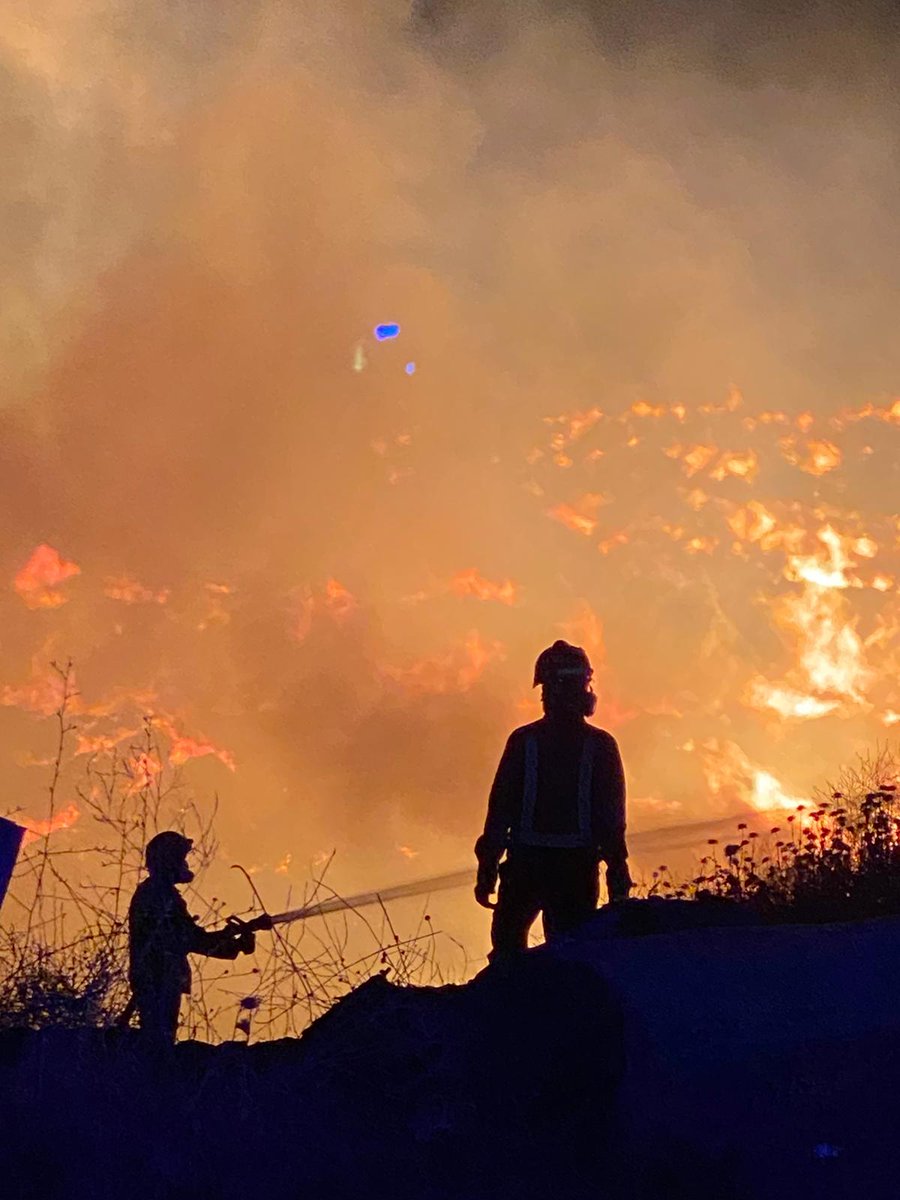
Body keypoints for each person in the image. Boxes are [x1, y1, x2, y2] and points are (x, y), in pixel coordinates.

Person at [474, 640, 631, 958]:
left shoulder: (524, 741)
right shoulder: (600, 746)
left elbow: (499, 811)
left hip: (529, 867)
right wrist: (617, 871)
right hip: (571, 870)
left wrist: (488, 865)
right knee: (569, 958)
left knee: (511, 956)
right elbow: (611, 821)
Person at [127, 831, 271, 1045]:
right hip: (159, 979)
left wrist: (235, 939)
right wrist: (237, 942)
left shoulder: (158, 893)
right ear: (170, 862)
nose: (185, 864)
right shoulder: (160, 896)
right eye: (181, 858)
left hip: (158, 979)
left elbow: (189, 938)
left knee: (158, 1038)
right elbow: (191, 940)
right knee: (158, 1042)